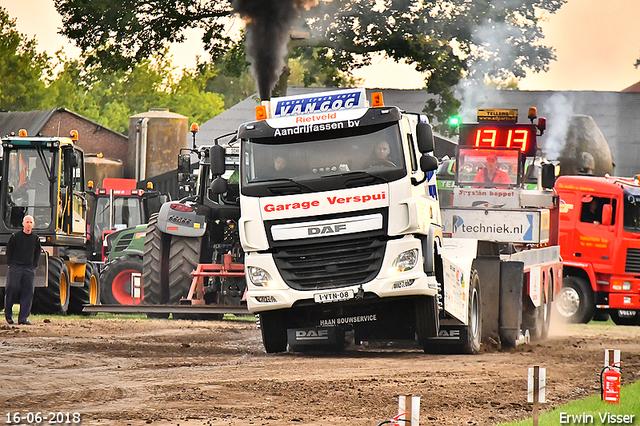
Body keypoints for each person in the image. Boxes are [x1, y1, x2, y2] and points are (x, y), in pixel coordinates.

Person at [4, 215, 41, 325]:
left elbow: (37, 252)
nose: (29, 224)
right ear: (23, 223)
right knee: (11, 290)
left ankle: (23, 318)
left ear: (33, 224)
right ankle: (8, 316)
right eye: (27, 222)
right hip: (16, 267)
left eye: (31, 222)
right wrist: (10, 264)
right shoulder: (15, 236)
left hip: (29, 268)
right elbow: (9, 250)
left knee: (28, 293)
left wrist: (34, 265)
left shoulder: (35, 238)